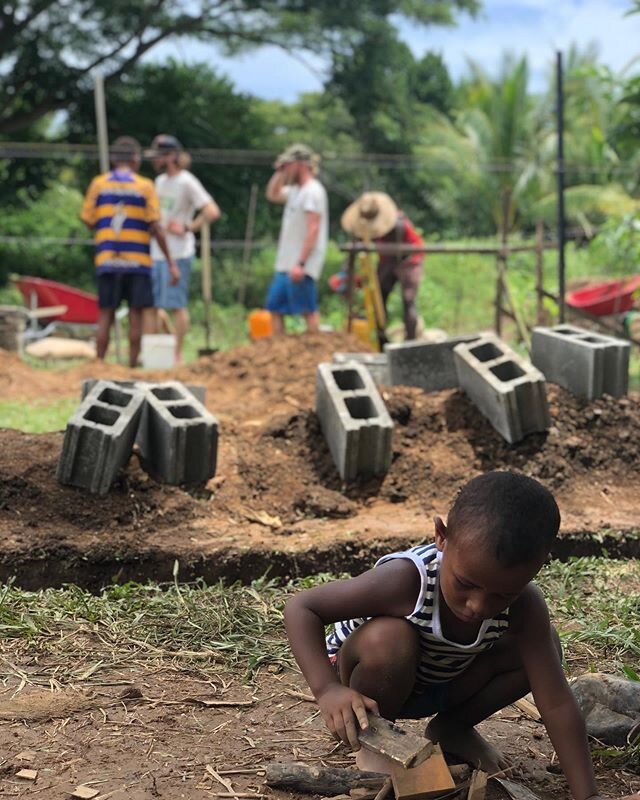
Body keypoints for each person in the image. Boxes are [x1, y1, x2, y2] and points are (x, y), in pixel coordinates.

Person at [284, 471, 611, 800]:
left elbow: (555, 702)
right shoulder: (407, 581)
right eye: (466, 584)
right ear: (442, 536)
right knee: (388, 639)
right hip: (372, 685)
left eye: (502, 596)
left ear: (539, 567)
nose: (478, 606)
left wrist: (588, 796)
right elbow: (302, 608)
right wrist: (328, 689)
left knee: (544, 648)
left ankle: (451, 729)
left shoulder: (525, 605)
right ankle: (377, 742)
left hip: (443, 682)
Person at [80, 136, 177, 367]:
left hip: (108, 259)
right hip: (138, 261)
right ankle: (132, 365)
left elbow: (87, 219)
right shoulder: (145, 186)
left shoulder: (99, 184)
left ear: (114, 159)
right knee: (136, 314)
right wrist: (170, 261)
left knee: (106, 313)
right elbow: (155, 225)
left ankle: (99, 362)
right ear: (135, 159)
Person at [146, 134, 221, 363]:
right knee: (155, 305)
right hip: (157, 251)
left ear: (171, 156)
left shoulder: (187, 181)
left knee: (177, 305)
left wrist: (189, 227)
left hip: (179, 252)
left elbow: (211, 211)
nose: (155, 160)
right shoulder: (159, 182)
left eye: (159, 155)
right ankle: (159, 351)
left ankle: (176, 354)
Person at [341, 192, 424, 340]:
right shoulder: (364, 222)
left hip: (409, 259)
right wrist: (346, 273)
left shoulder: (398, 223)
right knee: (378, 297)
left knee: (408, 300)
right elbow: (355, 246)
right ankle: (381, 339)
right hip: (387, 259)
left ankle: (410, 342)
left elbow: (412, 247)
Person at [265, 143, 328, 334]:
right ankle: (280, 351)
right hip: (285, 262)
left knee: (307, 310)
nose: (286, 169)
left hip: (302, 264)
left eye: (289, 165)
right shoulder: (295, 191)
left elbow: (313, 228)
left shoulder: (312, 191)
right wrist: (280, 173)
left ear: (301, 164)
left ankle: (315, 351)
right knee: (275, 308)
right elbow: (273, 194)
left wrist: (301, 263)